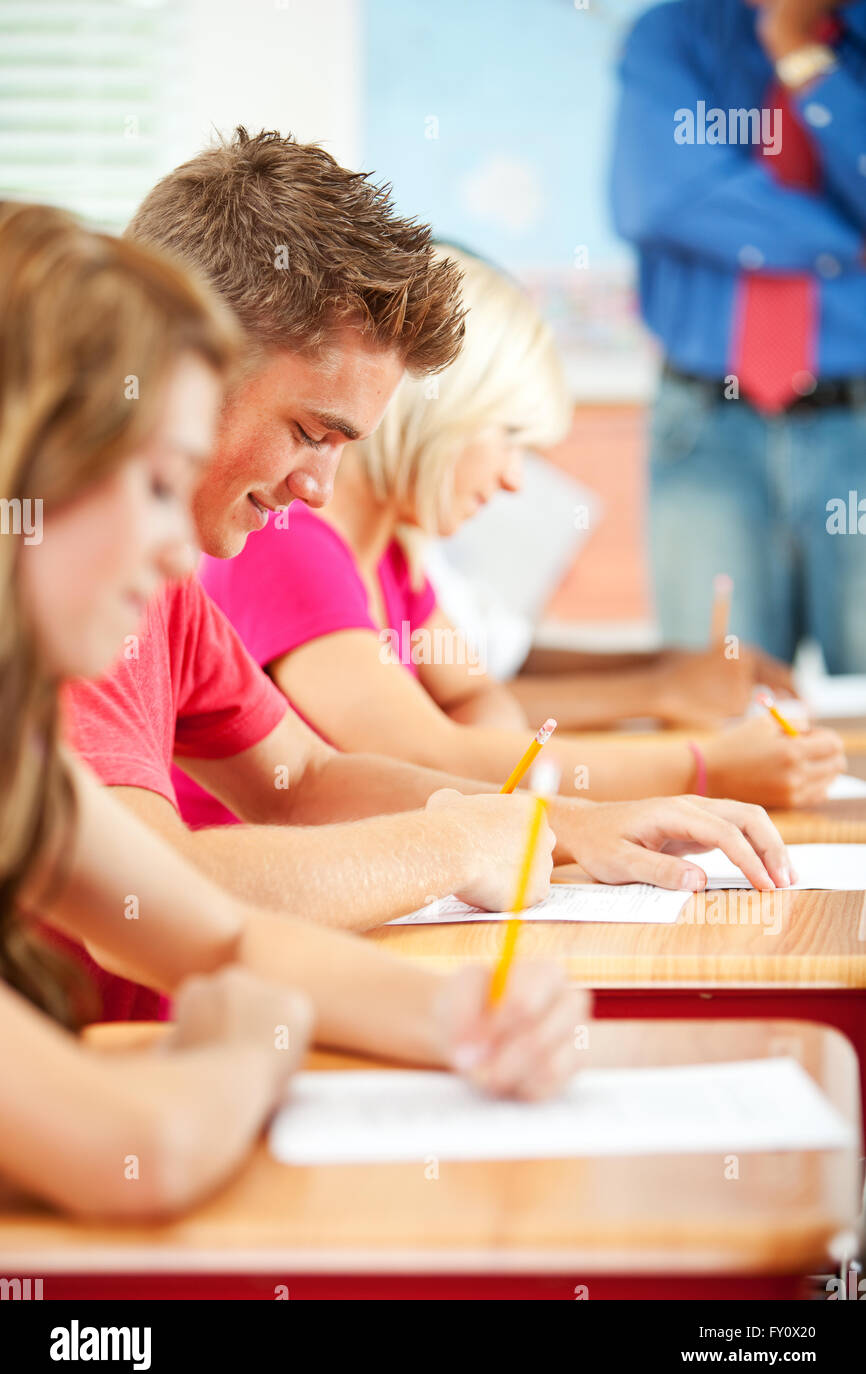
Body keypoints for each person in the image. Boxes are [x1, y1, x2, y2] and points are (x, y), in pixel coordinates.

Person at [56, 128, 792, 1018]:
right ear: (189, 364)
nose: (320, 490)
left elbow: (307, 784)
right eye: (308, 432)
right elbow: (141, 891)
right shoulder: (72, 568)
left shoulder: (166, 576)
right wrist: (450, 847)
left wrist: (557, 827)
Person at [0, 203, 592, 1214]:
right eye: (147, 484)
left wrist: (463, 1012)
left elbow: (221, 938)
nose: (180, 554)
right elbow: (132, 1147)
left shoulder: (28, 771)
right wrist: (255, 1041)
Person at [191, 245, 844, 813]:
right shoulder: (288, 545)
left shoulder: (394, 557)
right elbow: (435, 752)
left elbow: (479, 699)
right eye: (507, 437)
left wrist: (480, 746)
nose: (512, 479)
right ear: (434, 414)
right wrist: (706, 769)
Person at [611, 0, 866, 672]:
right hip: (705, 427)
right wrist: (847, 240)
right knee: (712, 697)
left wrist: (800, 56)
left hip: (858, 427)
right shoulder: (674, 32)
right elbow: (664, 200)